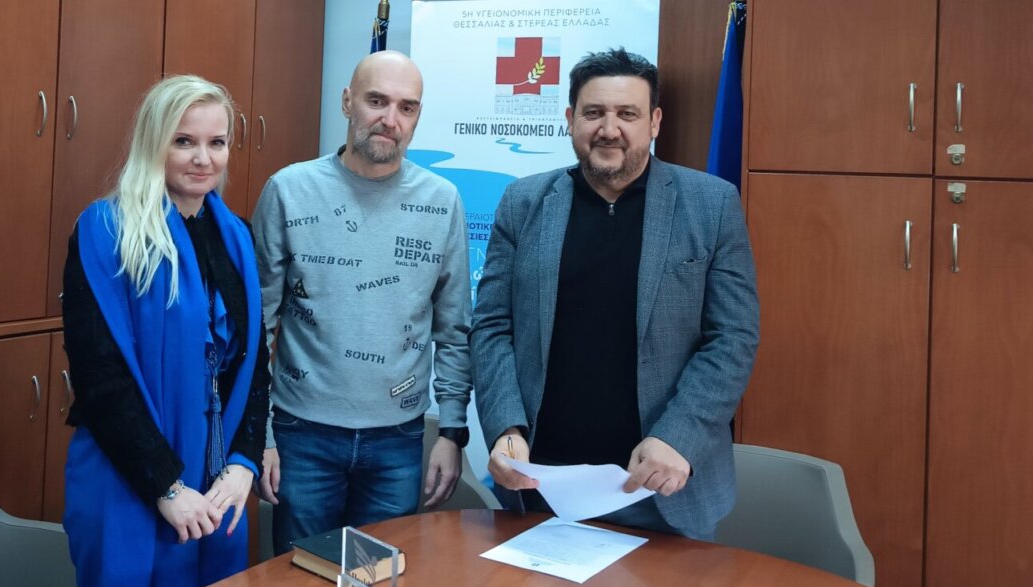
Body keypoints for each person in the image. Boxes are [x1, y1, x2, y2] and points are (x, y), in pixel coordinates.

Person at [470, 48, 759, 541]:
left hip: (662, 486)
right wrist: (505, 427)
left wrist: (678, 437)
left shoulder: (710, 205)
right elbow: (493, 325)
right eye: (594, 113)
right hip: (541, 484)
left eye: (627, 114)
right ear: (570, 119)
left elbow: (733, 337)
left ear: (655, 122)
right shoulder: (523, 202)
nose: (610, 129)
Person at [61, 75, 270, 587]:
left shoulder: (238, 237)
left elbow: (253, 365)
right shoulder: (104, 231)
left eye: (217, 143)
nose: (203, 159)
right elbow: (101, 379)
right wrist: (168, 487)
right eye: (184, 141)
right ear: (154, 142)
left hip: (216, 485)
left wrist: (243, 466)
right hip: (128, 482)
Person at [252, 50, 472, 553]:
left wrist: (451, 433)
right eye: (377, 101)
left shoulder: (441, 201)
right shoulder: (289, 191)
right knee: (298, 582)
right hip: (301, 434)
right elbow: (255, 324)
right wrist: (259, 435)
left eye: (406, 107)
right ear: (347, 102)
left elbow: (455, 329)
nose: (390, 119)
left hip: (398, 440)